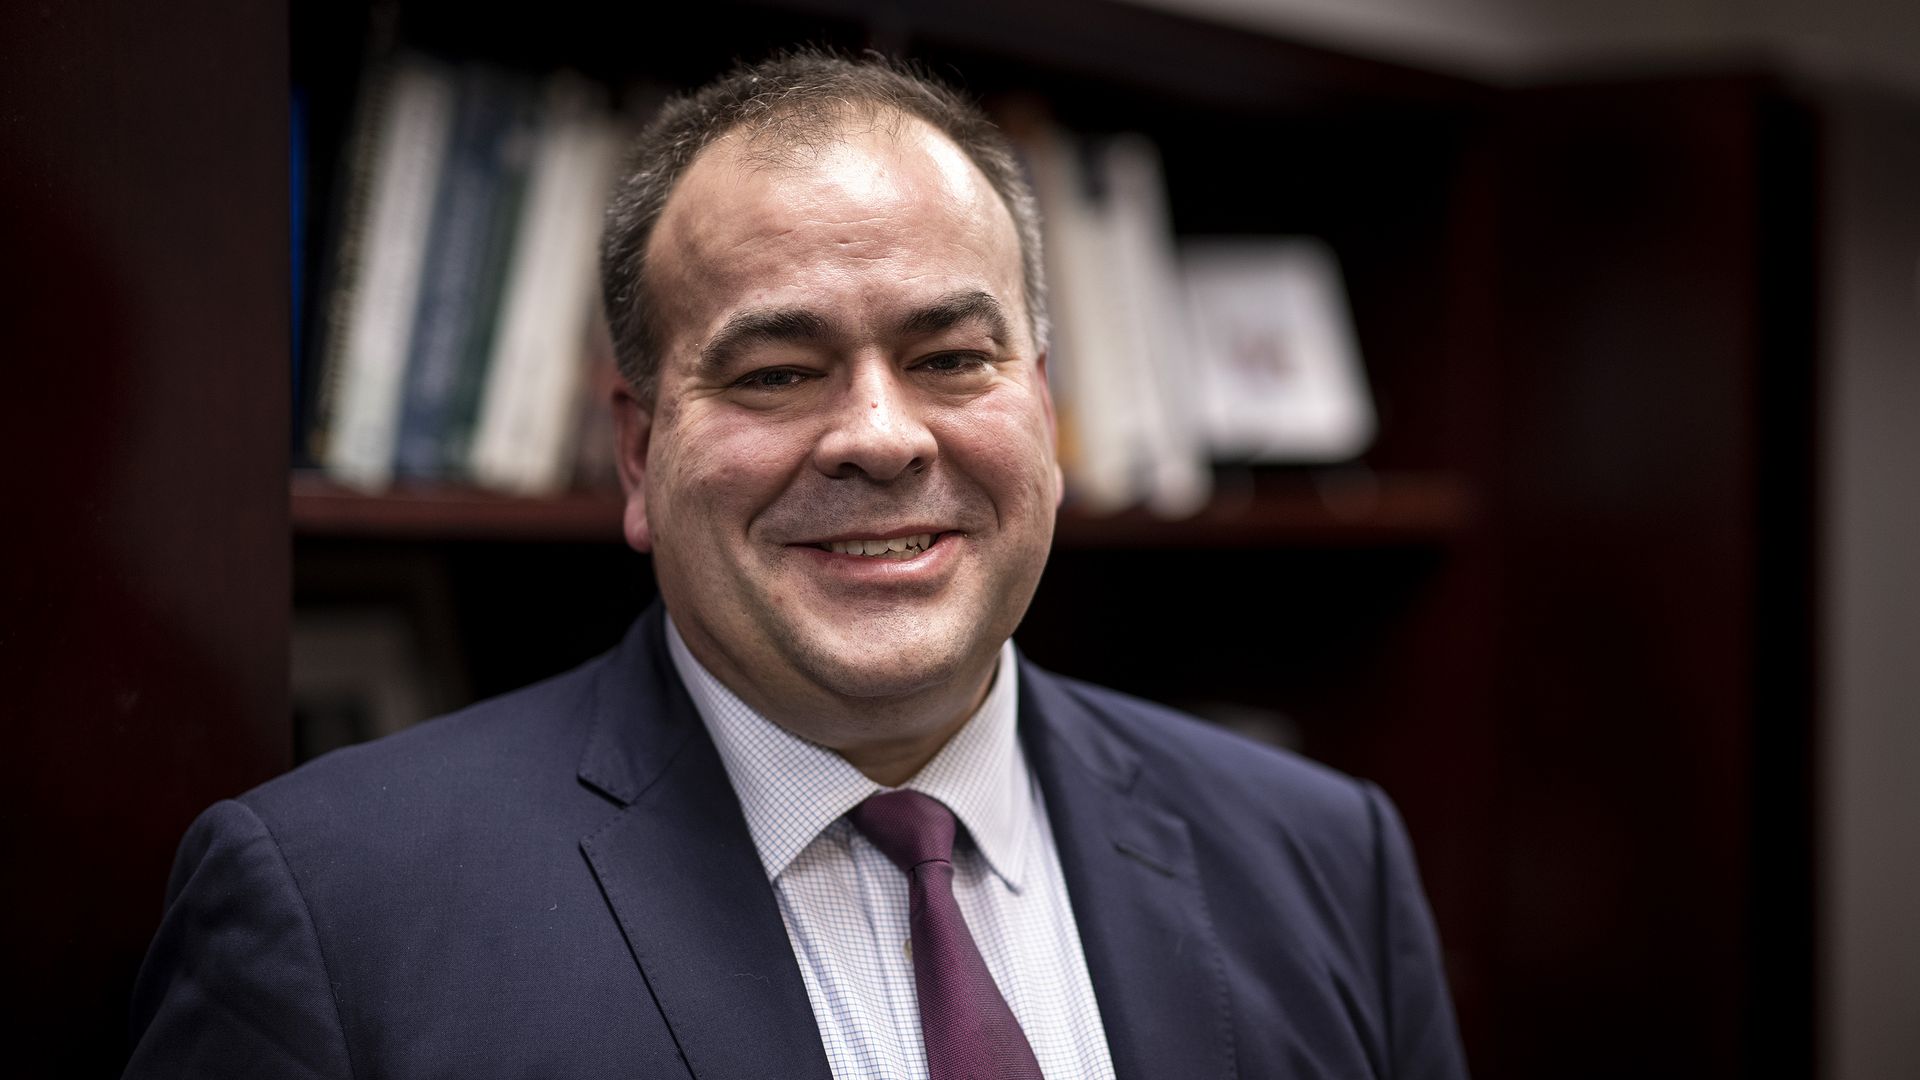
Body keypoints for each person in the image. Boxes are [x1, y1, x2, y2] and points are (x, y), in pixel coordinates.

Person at [125, 50, 1468, 1079]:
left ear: (1045, 415)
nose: (880, 437)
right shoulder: (337, 910)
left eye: (953, 359)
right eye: (776, 372)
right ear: (640, 457)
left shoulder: (1320, 859)